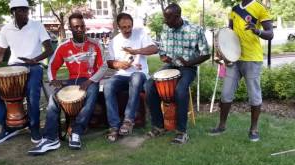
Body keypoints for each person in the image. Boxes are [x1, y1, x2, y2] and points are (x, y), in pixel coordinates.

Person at [28, 12, 107, 155]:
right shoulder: (63, 47)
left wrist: (90, 81)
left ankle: (76, 132)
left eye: (82, 26)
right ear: (70, 28)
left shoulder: (95, 44)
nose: (80, 29)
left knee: (92, 92)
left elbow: (103, 67)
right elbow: (52, 65)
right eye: (76, 27)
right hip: (71, 81)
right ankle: (51, 138)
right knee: (54, 97)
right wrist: (53, 80)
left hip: (90, 80)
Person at [0, 0, 53, 145]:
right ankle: (8, 126)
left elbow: (48, 49)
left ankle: (34, 127)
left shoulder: (37, 26)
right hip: (14, 66)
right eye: (20, 10)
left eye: (26, 10)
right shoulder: (6, 29)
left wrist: (35, 59)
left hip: (34, 66)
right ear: (13, 12)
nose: (24, 13)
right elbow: (0, 53)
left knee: (32, 90)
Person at [145, 3, 210, 144]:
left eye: (168, 18)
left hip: (188, 68)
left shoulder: (194, 30)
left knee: (180, 90)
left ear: (177, 17)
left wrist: (189, 63)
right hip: (171, 65)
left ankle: (181, 132)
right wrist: (164, 57)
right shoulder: (165, 29)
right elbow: (162, 52)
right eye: (165, 18)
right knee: (149, 85)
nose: (165, 21)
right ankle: (158, 126)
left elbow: (206, 54)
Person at [209, 0, 274, 142]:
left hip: (252, 59)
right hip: (234, 58)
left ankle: (254, 129)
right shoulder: (234, 9)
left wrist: (257, 30)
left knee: (254, 95)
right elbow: (229, 33)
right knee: (226, 94)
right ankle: (221, 126)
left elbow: (270, 34)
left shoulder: (259, 8)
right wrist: (223, 52)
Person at [104, 13, 158, 142]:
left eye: (129, 26)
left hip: (140, 74)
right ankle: (114, 126)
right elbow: (110, 62)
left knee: (136, 78)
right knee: (108, 85)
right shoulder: (114, 41)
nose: (127, 30)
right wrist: (119, 64)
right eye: (124, 27)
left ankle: (128, 120)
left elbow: (154, 49)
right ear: (118, 26)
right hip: (122, 74)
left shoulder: (140, 34)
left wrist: (136, 51)